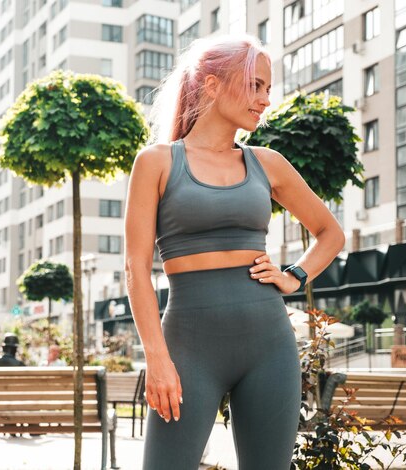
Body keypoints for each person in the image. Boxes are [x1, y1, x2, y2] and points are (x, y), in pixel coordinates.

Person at [124, 34, 345, 470]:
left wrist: (293, 276)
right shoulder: (157, 162)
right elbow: (134, 267)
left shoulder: (269, 163)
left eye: (268, 88)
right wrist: (157, 358)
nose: (265, 99)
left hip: (270, 347)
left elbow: (330, 232)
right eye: (255, 85)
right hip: (187, 350)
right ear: (211, 85)